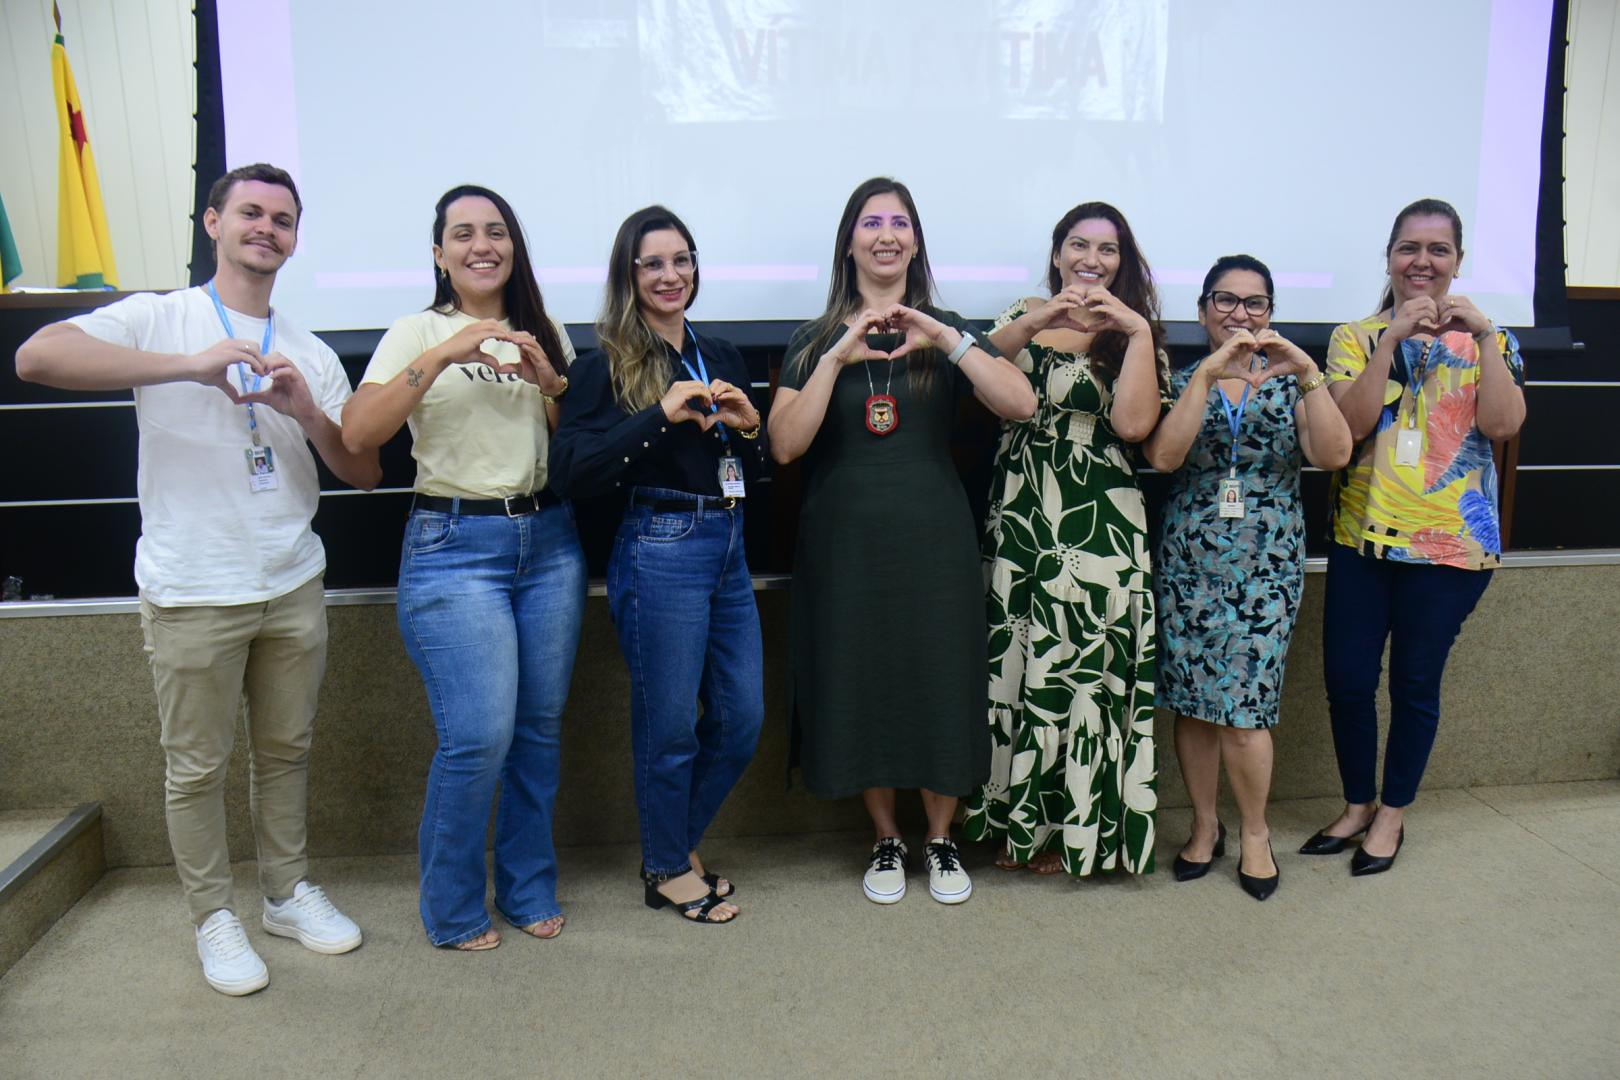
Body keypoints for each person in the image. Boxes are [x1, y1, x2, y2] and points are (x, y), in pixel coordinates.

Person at [15, 163, 381, 995]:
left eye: (282, 219)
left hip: (291, 581)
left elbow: (361, 471)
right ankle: (214, 916)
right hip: (192, 587)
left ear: (295, 239)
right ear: (213, 223)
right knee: (196, 768)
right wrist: (189, 365)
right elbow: (37, 356)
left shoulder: (310, 349)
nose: (266, 228)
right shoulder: (160, 318)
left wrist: (304, 409)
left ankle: (285, 895)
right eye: (250, 212)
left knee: (285, 752)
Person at [769, 177, 1037, 906]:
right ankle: (886, 836)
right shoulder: (814, 339)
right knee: (861, 675)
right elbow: (786, 445)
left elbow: (1019, 403)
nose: (885, 235)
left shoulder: (946, 327)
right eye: (870, 222)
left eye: (899, 223)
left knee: (939, 673)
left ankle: (941, 838)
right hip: (845, 541)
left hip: (933, 534)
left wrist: (945, 339)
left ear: (915, 242)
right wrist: (838, 357)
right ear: (848, 242)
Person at [342, 185, 585, 949]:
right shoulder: (415, 331)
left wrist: (551, 386)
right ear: (439, 254)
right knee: (478, 736)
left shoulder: (546, 330)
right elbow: (359, 433)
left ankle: (526, 886)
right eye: (464, 234)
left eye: (496, 231)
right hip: (455, 546)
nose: (483, 245)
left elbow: (574, 445)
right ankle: (451, 907)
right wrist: (446, 351)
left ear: (514, 246)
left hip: (548, 543)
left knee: (537, 732)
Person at [550, 205, 765, 924]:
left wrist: (750, 432)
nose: (670, 275)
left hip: (729, 540)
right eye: (653, 264)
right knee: (669, 726)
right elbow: (572, 471)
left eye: (682, 260)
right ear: (628, 275)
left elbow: (750, 465)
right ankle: (669, 866)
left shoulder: (722, 353)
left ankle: (670, 848)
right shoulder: (602, 364)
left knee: (741, 718)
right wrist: (659, 416)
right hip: (660, 545)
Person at [1302, 198, 1525, 875]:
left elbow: (1503, 425)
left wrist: (1486, 339)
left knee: (1415, 684)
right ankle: (1357, 804)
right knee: (1347, 681)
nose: (1422, 261)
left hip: (1450, 548)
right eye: (1409, 248)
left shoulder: (1491, 338)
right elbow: (1349, 428)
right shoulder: (1354, 336)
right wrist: (1390, 341)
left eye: (1438, 249)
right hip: (1361, 539)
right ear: (1390, 257)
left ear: (1458, 260)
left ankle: (1392, 814)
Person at [961, 201, 1166, 878]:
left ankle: (1069, 829)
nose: (1091, 260)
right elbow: (975, 375)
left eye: (1108, 249)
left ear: (1123, 262)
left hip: (1101, 521)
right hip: (1022, 512)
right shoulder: (1024, 314)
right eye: (1079, 245)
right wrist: (1038, 319)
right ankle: (1014, 823)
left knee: (1081, 672)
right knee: (1019, 662)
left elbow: (1134, 427)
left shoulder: (1134, 333)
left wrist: (1136, 332)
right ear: (1057, 254)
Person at [1143, 254, 1352, 900]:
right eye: (1225, 300)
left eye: (1254, 302)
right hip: (1190, 558)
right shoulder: (1184, 379)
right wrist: (1208, 375)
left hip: (1267, 561)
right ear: (1203, 310)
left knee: (1244, 707)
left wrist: (1309, 373)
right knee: (1194, 702)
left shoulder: (1293, 385)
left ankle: (1255, 833)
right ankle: (1205, 825)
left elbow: (1333, 453)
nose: (1240, 314)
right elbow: (1164, 455)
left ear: (1271, 312)